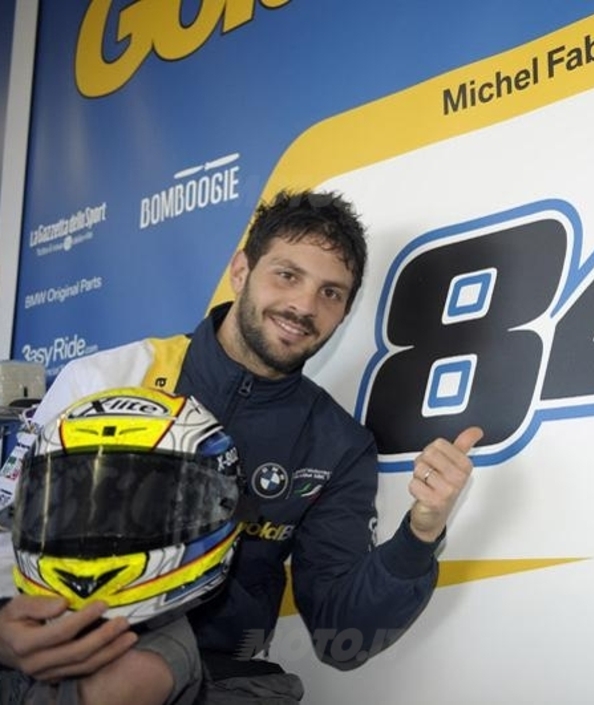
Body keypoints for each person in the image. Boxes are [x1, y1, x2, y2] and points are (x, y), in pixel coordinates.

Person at [0, 189, 483, 704]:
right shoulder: (108, 377)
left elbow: (342, 635)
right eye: (287, 275)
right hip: (69, 649)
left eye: (330, 293)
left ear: (344, 312)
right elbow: (9, 536)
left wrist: (420, 534)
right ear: (240, 271)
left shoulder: (338, 444)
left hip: (224, 679)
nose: (304, 306)